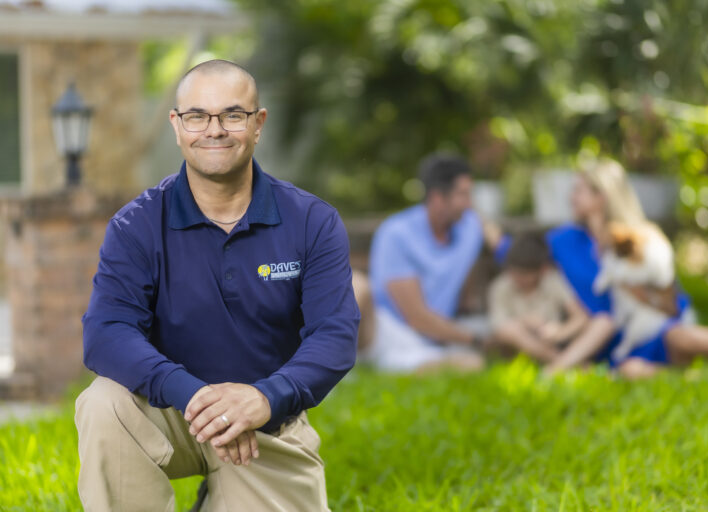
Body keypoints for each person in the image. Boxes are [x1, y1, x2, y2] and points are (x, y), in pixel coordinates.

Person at [75, 59, 359, 511]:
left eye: (232, 115)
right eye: (197, 116)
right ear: (177, 124)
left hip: (266, 424)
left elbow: (335, 336)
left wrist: (266, 397)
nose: (215, 130)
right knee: (103, 403)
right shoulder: (137, 225)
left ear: (258, 122)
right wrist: (195, 395)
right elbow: (106, 332)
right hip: (169, 409)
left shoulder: (312, 221)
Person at [493, 159, 708, 378]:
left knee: (685, 337)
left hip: (649, 330)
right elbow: (514, 251)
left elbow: (673, 304)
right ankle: (706, 377)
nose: (571, 196)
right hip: (602, 340)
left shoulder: (638, 238)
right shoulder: (565, 240)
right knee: (632, 371)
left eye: (579, 190)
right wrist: (481, 224)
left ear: (602, 196)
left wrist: (638, 292)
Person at [362, 153, 488, 373]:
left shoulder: (470, 227)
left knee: (477, 359)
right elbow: (416, 317)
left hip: (437, 335)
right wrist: (476, 339)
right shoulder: (397, 234)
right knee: (357, 285)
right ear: (438, 198)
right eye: (464, 195)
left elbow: (503, 246)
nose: (470, 204)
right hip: (390, 330)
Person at [488, 232, 588, 363]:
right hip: (514, 349)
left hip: (551, 341)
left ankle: (560, 363)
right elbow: (499, 328)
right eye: (513, 272)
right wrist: (525, 322)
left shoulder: (552, 281)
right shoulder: (501, 286)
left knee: (603, 323)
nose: (517, 278)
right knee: (510, 330)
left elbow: (581, 318)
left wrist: (558, 333)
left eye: (524, 274)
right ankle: (561, 363)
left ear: (542, 269)